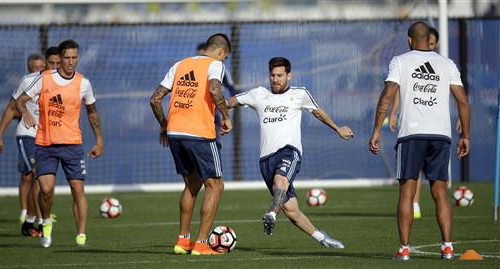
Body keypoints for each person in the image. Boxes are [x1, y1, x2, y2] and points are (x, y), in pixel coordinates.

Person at [226, 57, 352, 249]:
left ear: (289, 76)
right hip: (265, 161)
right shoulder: (258, 94)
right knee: (291, 209)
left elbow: (317, 111)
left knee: (281, 181)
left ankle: (271, 214)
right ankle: (323, 238)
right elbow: (230, 102)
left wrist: (337, 128)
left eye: (280, 75)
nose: (275, 79)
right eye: (272, 75)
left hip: (289, 152)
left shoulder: (299, 94)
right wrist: (220, 111)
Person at [369, 22, 470, 260]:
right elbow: (463, 101)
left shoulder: (400, 61)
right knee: (440, 193)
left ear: (409, 40)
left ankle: (404, 250)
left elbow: (387, 95)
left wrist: (376, 130)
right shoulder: (447, 64)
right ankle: (447, 248)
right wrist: (466, 135)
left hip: (411, 135)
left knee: (407, 192)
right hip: (440, 136)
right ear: (430, 39)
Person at [15, 39, 104, 248]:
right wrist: (26, 112)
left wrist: (99, 139)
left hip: (72, 145)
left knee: (77, 188)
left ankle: (81, 235)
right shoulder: (45, 79)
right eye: (67, 58)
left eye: (75, 58)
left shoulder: (84, 84)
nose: (71, 62)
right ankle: (46, 223)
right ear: (60, 58)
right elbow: (20, 100)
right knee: (46, 190)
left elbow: (92, 112)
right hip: (45, 144)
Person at [150, 33, 232, 255]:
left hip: (176, 132)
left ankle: (182, 241)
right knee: (216, 185)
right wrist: (225, 117)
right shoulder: (215, 65)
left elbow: (155, 98)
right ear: (221, 53)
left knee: (192, 185)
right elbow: (215, 89)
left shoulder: (180, 64)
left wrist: (164, 125)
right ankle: (202, 244)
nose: (223, 62)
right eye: (224, 58)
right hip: (200, 133)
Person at [0, 50, 57, 237]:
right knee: (34, 176)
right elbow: (11, 109)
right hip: (27, 135)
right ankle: (36, 221)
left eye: (57, 63)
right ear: (46, 63)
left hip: (48, 139)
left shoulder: (62, 84)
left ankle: (30, 220)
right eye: (51, 63)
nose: (54, 67)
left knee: (43, 182)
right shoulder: (28, 80)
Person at [388, 26, 440, 219]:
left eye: (433, 43)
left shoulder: (443, 65)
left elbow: (457, 96)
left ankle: (407, 247)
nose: (430, 45)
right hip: (413, 128)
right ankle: (415, 204)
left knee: (438, 183)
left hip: (436, 130)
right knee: (414, 172)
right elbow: (398, 89)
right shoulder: (407, 62)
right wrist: (393, 112)